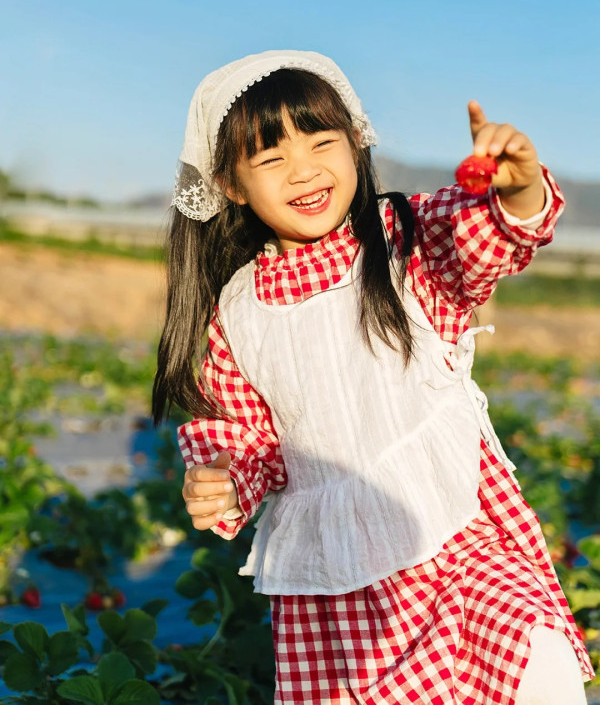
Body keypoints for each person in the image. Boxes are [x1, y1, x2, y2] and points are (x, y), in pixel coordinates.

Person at [153, 50, 594, 704]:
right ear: (232, 185)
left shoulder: (405, 237)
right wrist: (223, 483)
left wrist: (517, 188)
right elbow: (250, 443)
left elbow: (492, 238)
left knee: (538, 663)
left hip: (456, 529)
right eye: (271, 158)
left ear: (357, 142)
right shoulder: (238, 314)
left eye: (322, 141)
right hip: (346, 585)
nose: (304, 170)